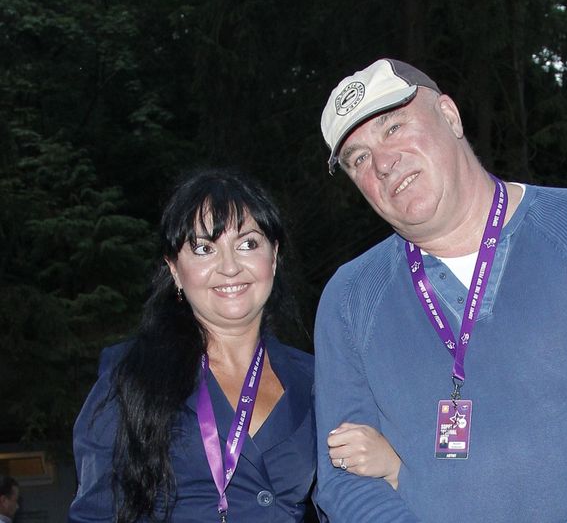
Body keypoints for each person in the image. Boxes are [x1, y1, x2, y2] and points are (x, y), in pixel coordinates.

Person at [313, 58, 567, 521]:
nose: (382, 163)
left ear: (450, 116)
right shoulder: (350, 299)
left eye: (394, 127)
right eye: (358, 158)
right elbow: (343, 480)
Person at [70, 170, 359, 522]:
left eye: (247, 244)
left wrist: (388, 463)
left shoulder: (316, 378)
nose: (229, 267)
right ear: (174, 270)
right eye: (204, 249)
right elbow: (94, 514)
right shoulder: (129, 375)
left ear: (274, 256)